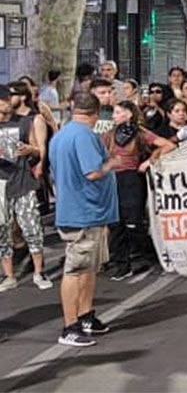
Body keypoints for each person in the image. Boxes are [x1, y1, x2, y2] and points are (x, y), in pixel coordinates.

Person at [49, 93, 119, 347]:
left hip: (84, 211)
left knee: (88, 268)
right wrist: (112, 162)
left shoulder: (62, 135)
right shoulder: (84, 135)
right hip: (83, 212)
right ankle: (70, 326)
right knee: (76, 270)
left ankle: (85, 315)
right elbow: (93, 172)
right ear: (96, 113)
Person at [104, 101, 172, 279]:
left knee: (133, 222)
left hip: (132, 179)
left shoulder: (141, 133)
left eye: (118, 112)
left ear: (128, 114)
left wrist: (149, 161)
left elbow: (167, 145)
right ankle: (121, 264)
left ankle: (142, 257)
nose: (114, 116)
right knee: (115, 223)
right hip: (113, 179)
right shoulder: (109, 134)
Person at [0, 84, 52, 291]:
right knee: (3, 230)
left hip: (23, 181)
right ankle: (9, 276)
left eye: (8, 98)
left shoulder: (25, 122)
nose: (7, 103)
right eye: (4, 100)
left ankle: (39, 272)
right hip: (1, 184)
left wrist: (30, 149)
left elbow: (38, 151)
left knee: (32, 228)